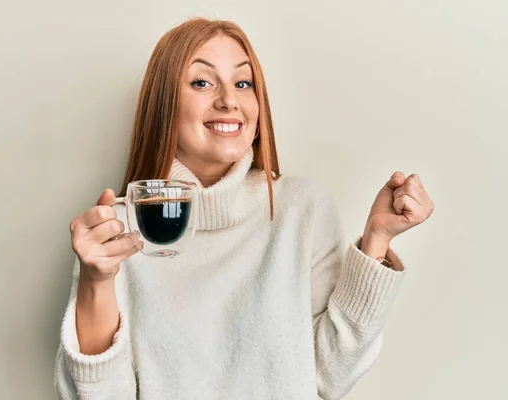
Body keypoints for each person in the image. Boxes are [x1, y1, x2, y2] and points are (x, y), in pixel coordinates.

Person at [54, 18, 434, 400]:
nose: (229, 100)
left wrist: (377, 240)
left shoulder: (302, 210)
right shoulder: (115, 231)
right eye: (201, 82)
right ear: (163, 103)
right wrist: (96, 280)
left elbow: (329, 376)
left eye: (243, 83)